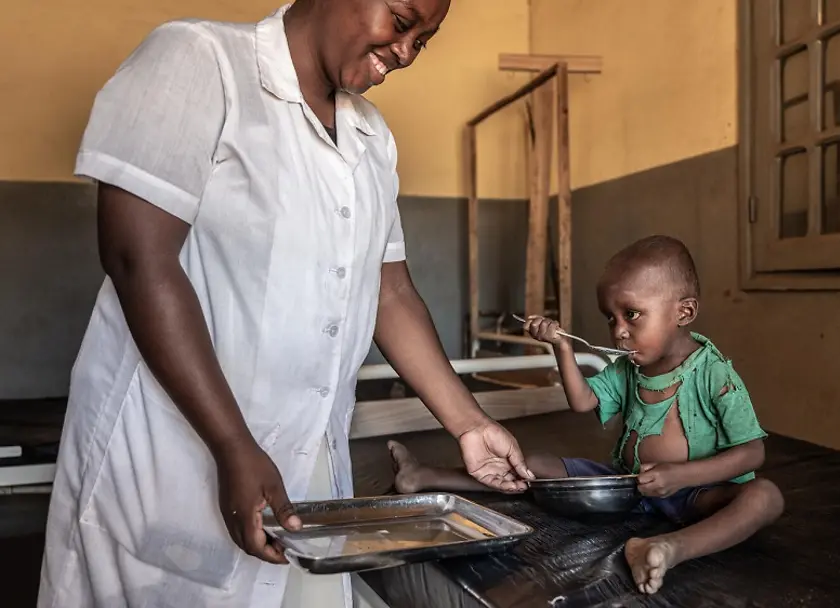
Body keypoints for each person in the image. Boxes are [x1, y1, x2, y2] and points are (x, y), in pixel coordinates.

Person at [38, 1, 536, 607]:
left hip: (305, 465)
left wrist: (471, 423)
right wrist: (232, 445)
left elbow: (389, 289)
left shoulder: (370, 135)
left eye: (423, 41)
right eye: (402, 22)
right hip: (169, 458)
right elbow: (138, 261)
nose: (407, 52)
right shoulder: (201, 61)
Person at [388, 235, 784, 595]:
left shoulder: (715, 374)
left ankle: (668, 548)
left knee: (764, 497)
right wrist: (560, 346)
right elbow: (582, 402)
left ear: (684, 312)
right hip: (625, 485)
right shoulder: (629, 368)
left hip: (696, 494)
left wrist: (681, 476)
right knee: (534, 465)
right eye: (610, 318)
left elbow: (752, 454)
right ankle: (424, 476)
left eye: (632, 314)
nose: (618, 332)